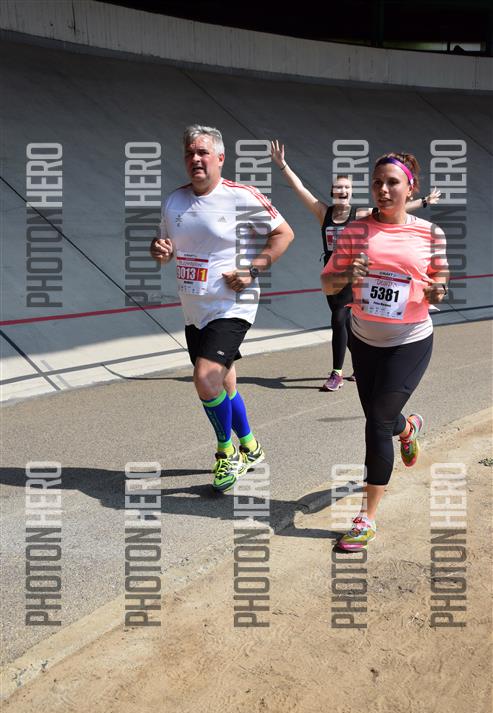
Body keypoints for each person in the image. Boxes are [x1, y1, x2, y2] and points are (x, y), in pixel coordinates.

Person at [151, 125, 294, 492]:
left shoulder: (241, 196)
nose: (195, 159)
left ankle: (225, 452)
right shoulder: (174, 201)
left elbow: (284, 233)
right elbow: (165, 248)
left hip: (232, 305)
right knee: (224, 380)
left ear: (219, 157)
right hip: (194, 308)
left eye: (202, 152)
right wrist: (160, 250)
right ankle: (251, 446)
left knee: (205, 378)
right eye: (189, 153)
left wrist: (252, 270)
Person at [321, 152, 449, 550]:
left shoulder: (429, 233)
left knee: (376, 422)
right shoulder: (355, 231)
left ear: (411, 188)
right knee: (383, 418)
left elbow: (440, 275)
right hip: (363, 340)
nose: (383, 189)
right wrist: (347, 274)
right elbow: (328, 283)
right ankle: (407, 429)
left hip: (409, 341)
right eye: (377, 182)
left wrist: (438, 289)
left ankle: (366, 517)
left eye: (393, 182)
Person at [271, 140, 441, 392]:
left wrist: (424, 201)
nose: (342, 192)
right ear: (332, 192)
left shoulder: (360, 215)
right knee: (345, 323)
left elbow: (396, 206)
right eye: (338, 188)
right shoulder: (324, 213)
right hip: (333, 277)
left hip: (355, 276)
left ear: (351, 193)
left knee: (339, 319)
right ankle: (361, 366)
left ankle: (336, 373)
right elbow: (299, 188)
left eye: (347, 189)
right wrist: (283, 165)